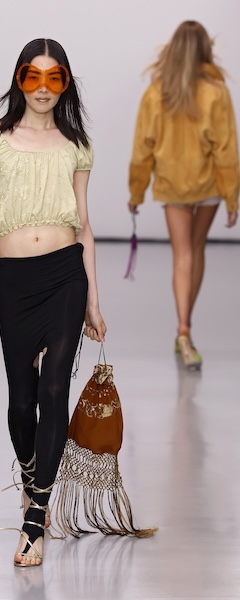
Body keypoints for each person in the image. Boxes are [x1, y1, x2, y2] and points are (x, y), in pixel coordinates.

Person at [0, 38, 106, 567]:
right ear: (19, 79)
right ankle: (30, 479)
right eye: (32, 76)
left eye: (54, 77)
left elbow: (84, 225)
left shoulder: (77, 144)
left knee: (54, 389)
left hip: (66, 275)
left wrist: (93, 300)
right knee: (22, 399)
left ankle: (35, 517)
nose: (43, 88)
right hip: (15, 280)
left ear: (65, 82)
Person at [128, 20, 239, 369]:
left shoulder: (157, 92)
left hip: (173, 185)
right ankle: (185, 329)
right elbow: (226, 150)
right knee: (196, 249)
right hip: (207, 185)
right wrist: (232, 197)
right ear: (206, 49)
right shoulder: (216, 91)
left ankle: (183, 330)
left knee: (182, 255)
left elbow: (143, 147)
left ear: (173, 49)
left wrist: (136, 192)